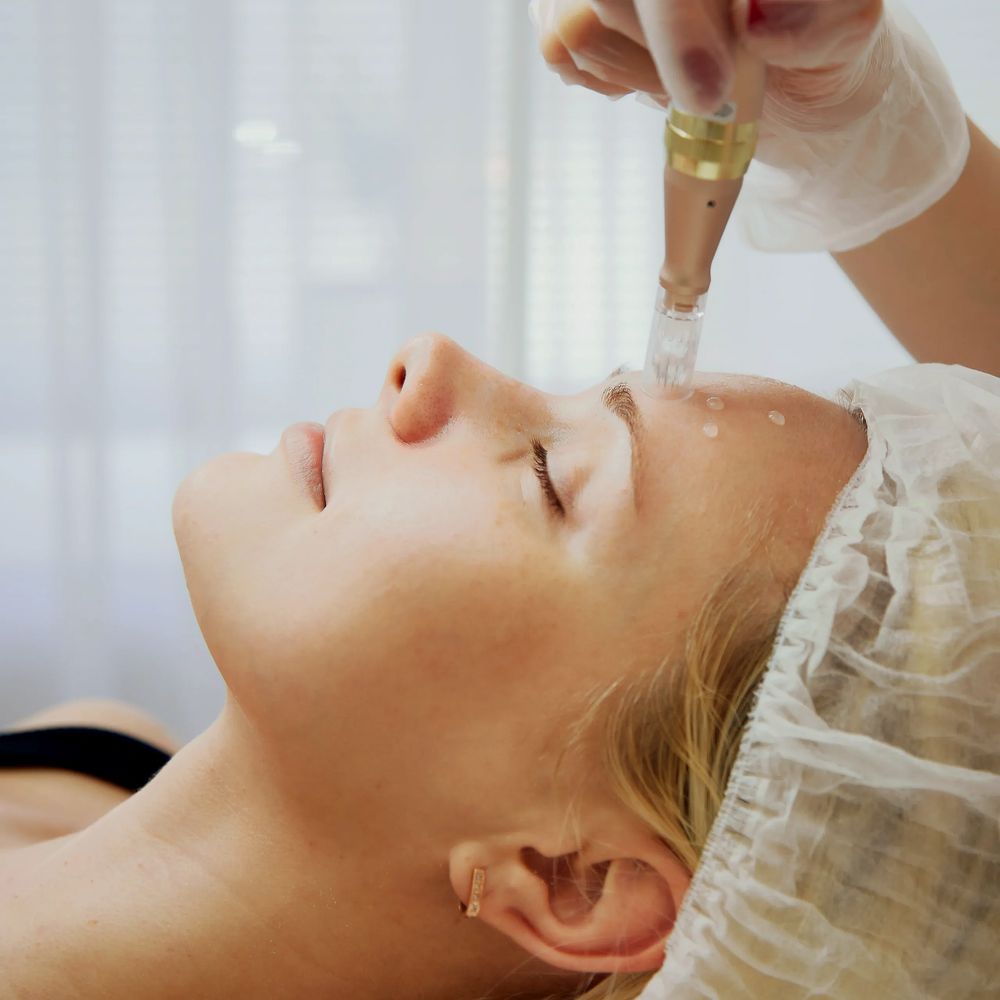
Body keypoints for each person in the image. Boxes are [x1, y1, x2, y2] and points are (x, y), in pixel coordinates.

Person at [1, 5, 997, 1000]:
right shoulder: (89, 752)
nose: (429, 360)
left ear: (574, 880)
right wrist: (864, 129)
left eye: (547, 476)